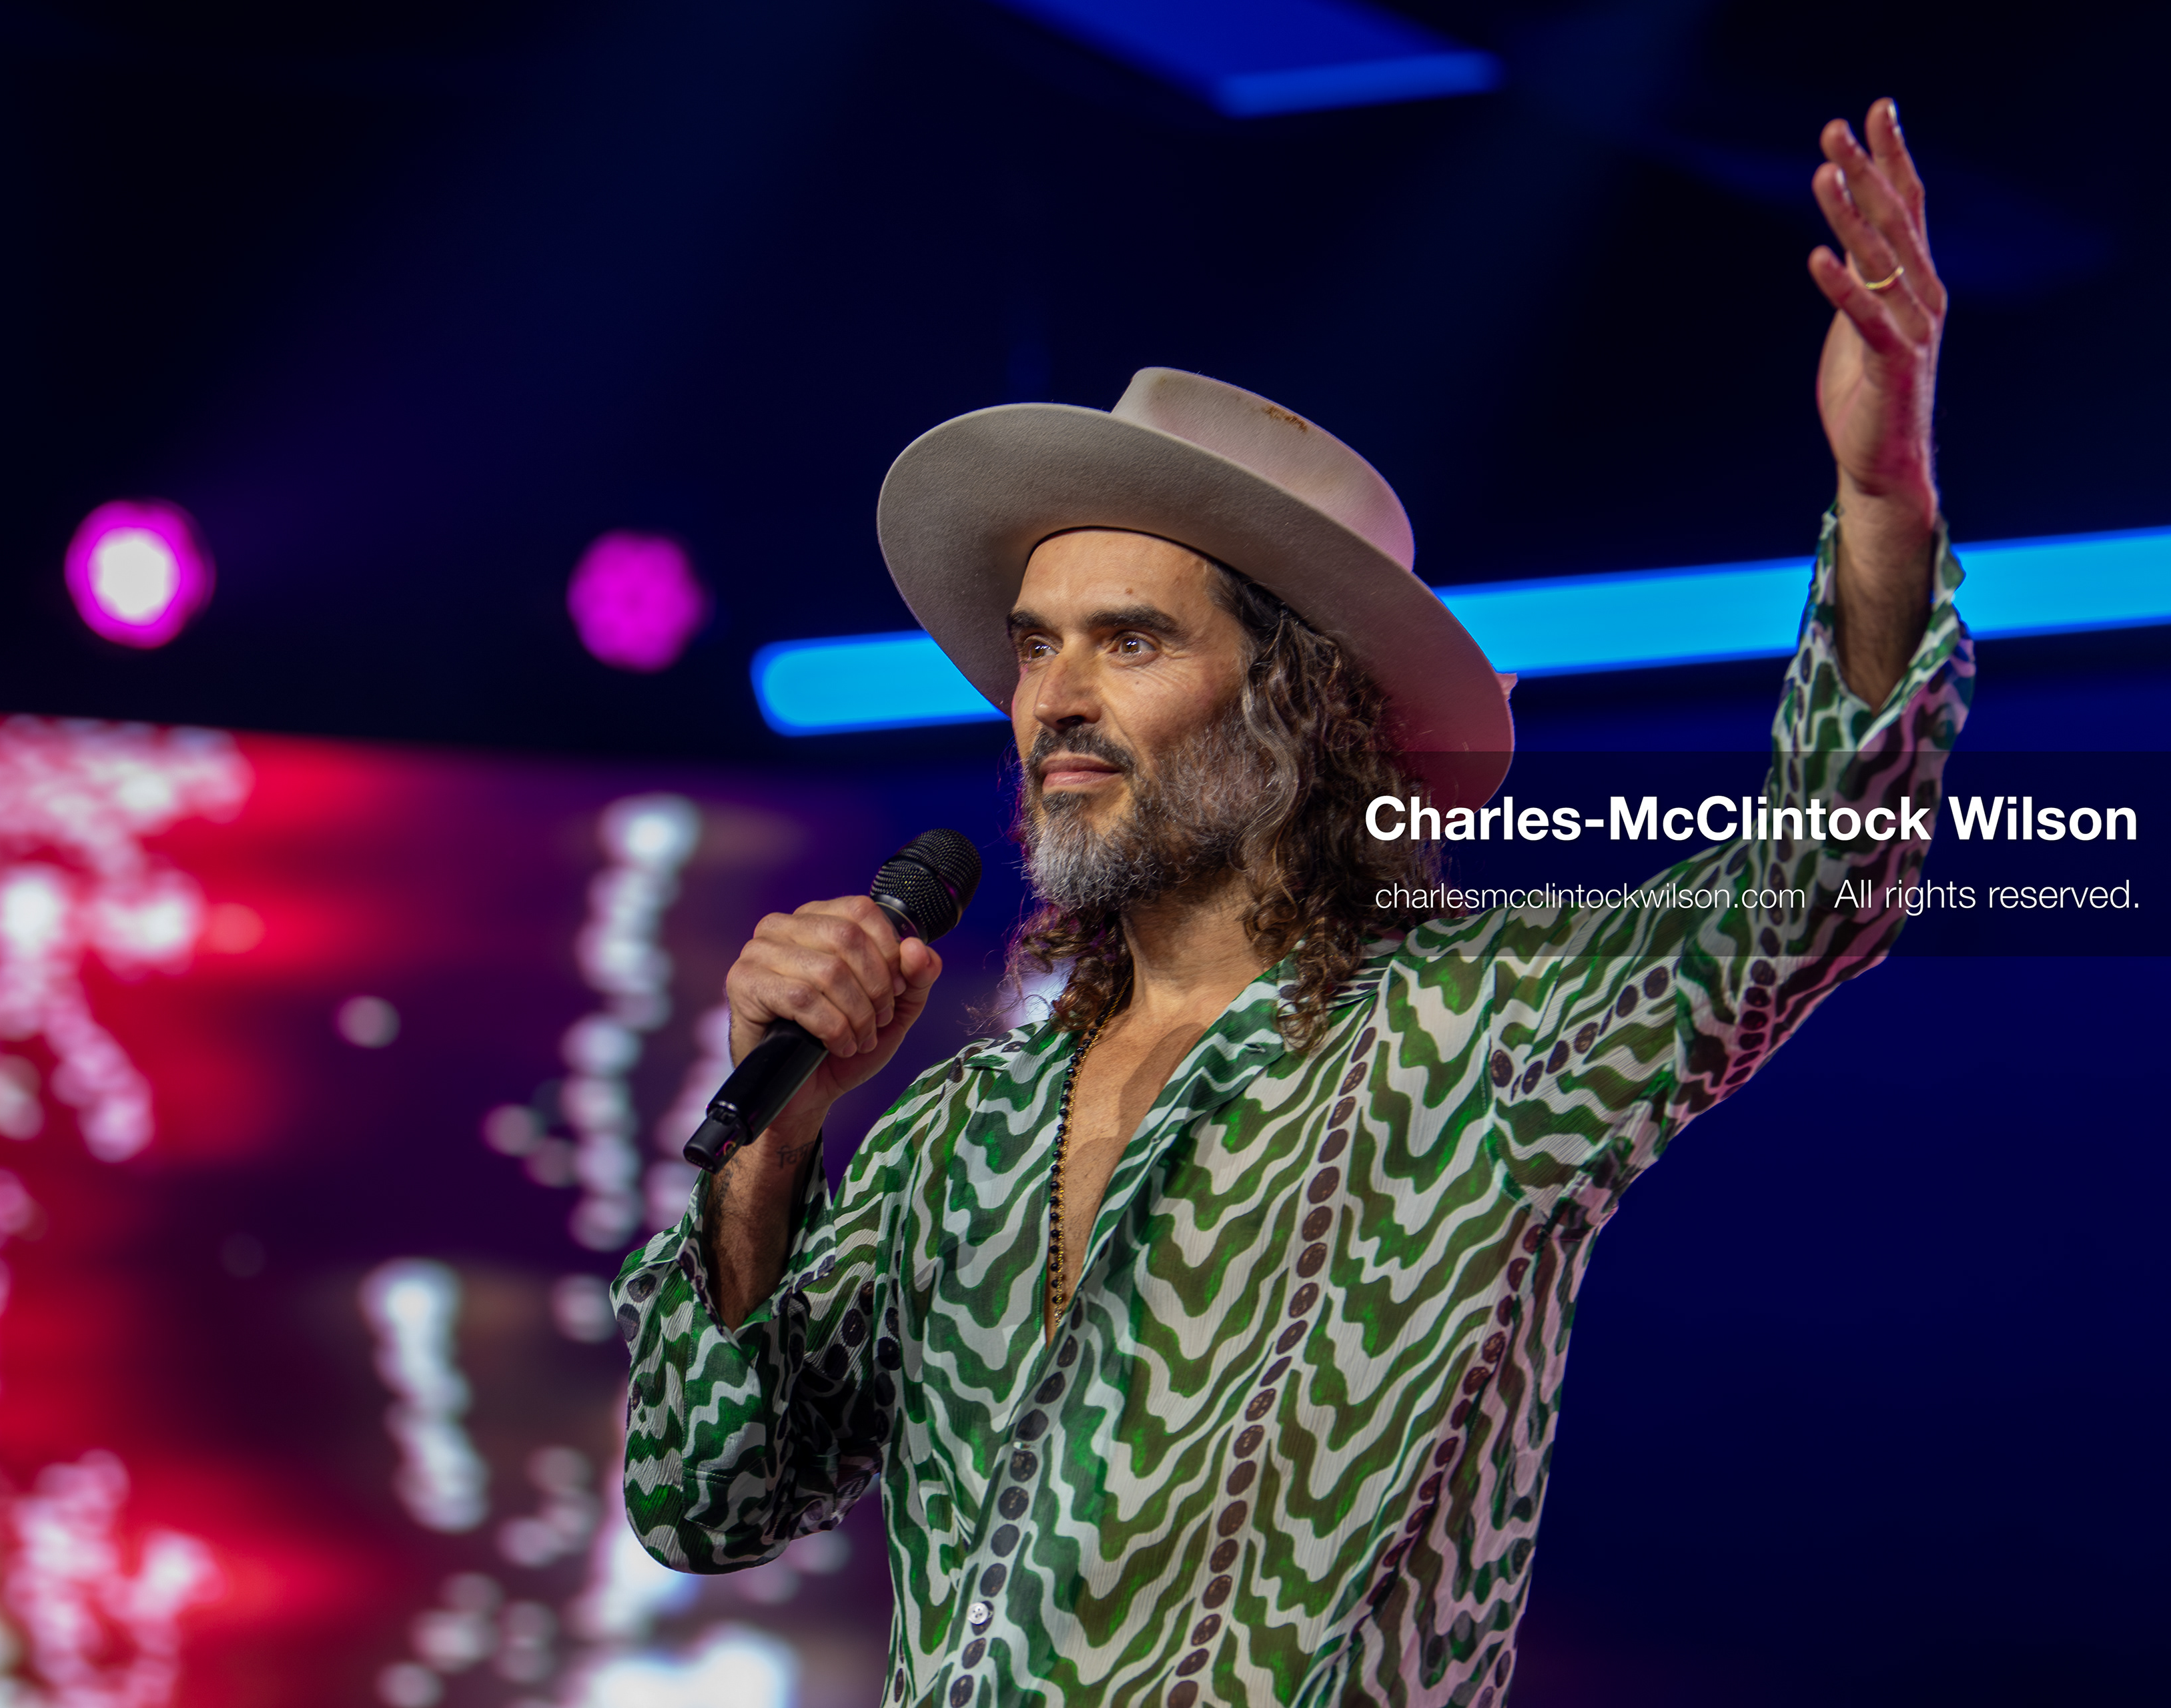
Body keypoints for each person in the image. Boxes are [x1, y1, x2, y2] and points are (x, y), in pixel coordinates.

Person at [612, 99, 1969, 1707]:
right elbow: (702, 1500)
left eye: (1129, 639)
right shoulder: (954, 1130)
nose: (1052, 694)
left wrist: (1881, 499)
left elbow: (1812, 887)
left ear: (1299, 707)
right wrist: (775, 1135)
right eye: (1037, 642)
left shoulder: (1476, 1034)